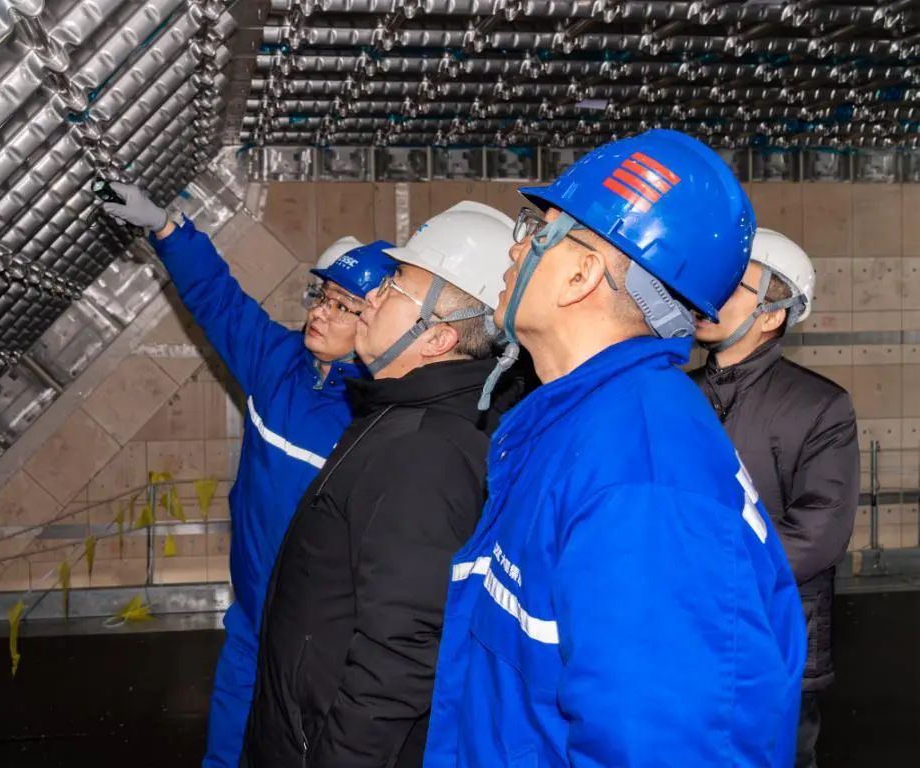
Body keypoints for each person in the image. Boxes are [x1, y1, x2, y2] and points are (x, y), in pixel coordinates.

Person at [425, 131, 807, 767]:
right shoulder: (578, 423)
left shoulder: (642, 479)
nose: (516, 246)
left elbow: (664, 747)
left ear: (583, 274)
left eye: (537, 229)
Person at [103, 185, 396, 768]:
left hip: (323, 640)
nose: (320, 311)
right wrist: (167, 229)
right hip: (253, 616)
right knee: (230, 741)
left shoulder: (379, 416)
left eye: (343, 305)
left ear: (377, 321)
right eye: (321, 296)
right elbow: (217, 297)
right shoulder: (276, 363)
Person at [242, 202, 524, 768]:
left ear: (437, 338)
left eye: (394, 287)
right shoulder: (397, 413)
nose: (371, 296)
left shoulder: (423, 452)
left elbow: (400, 658)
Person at [692, 228, 860, 768]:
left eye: (732, 286)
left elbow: (820, 532)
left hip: (775, 633)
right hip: (685, 629)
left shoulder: (820, 406)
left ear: (772, 315)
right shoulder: (674, 394)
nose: (709, 294)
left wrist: (701, 572)